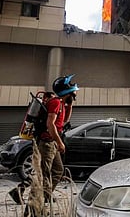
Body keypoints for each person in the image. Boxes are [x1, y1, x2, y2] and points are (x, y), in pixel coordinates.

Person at [24, 75, 79, 216]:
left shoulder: (60, 103)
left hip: (52, 142)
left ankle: (43, 197)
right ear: (68, 90)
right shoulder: (55, 102)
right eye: (74, 90)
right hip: (46, 144)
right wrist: (60, 142)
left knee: (58, 171)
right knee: (44, 177)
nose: (76, 92)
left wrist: (70, 105)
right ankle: (34, 209)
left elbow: (64, 121)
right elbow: (50, 125)